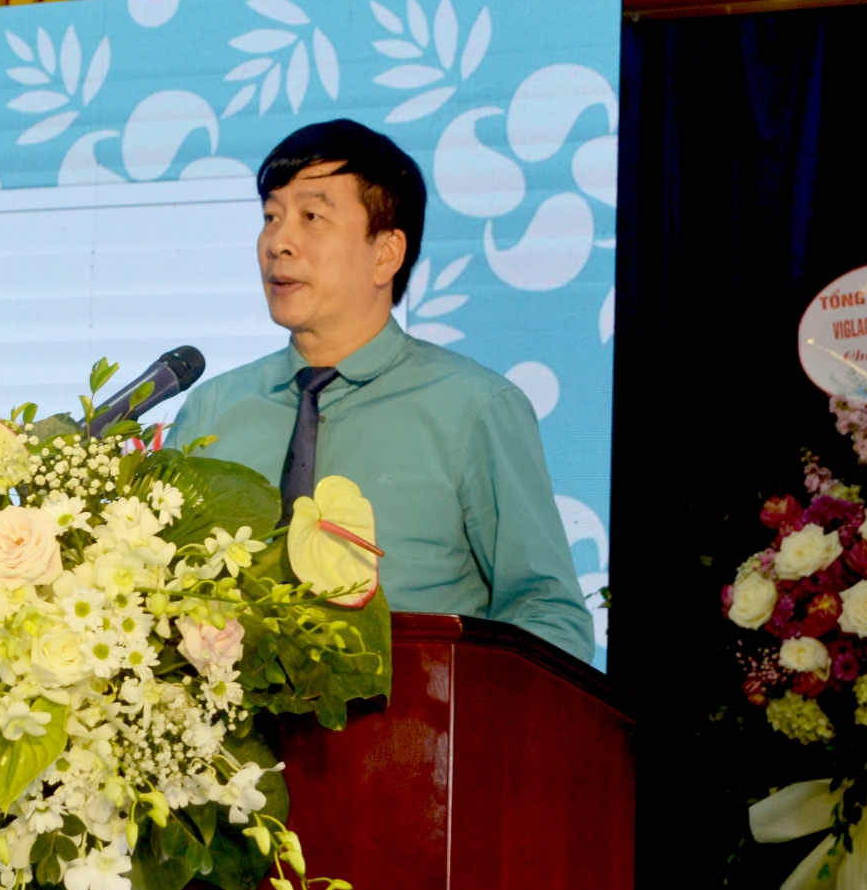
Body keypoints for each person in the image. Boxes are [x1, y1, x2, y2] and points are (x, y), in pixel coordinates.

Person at [168, 119, 595, 661]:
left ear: (387, 253)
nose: (279, 242)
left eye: (312, 217)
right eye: (271, 217)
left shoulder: (474, 409)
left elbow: (550, 615)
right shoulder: (212, 409)